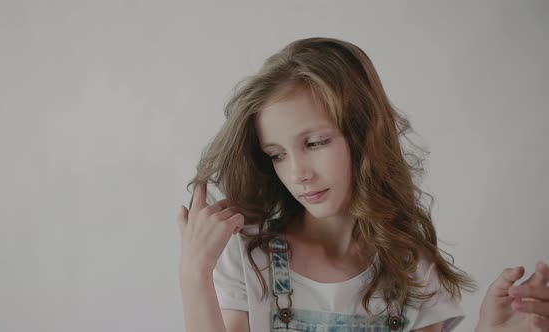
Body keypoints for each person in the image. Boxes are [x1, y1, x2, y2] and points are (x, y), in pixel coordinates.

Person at [176, 37, 549, 331]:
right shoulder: (246, 256)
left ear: (363, 136)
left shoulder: (412, 270)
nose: (297, 173)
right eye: (277, 154)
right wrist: (195, 273)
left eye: (315, 143)